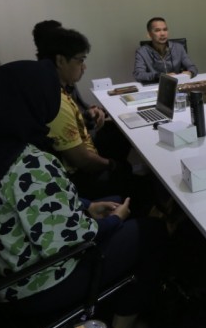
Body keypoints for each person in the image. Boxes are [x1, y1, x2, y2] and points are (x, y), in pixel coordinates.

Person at [0, 60, 165, 328]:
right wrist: (114, 221)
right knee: (152, 232)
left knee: (114, 201)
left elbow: (29, 205)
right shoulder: (31, 164)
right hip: (38, 284)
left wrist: (86, 207)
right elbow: (71, 240)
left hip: (6, 270)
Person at [42, 28, 143, 202]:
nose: (84, 67)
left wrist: (87, 115)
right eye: (80, 60)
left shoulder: (58, 88)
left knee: (119, 132)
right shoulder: (57, 102)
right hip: (81, 176)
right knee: (138, 183)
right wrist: (112, 165)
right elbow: (84, 161)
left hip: (86, 149)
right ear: (60, 60)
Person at [133, 17, 197, 84]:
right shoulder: (142, 52)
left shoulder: (178, 48)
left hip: (177, 85)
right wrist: (160, 76)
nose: (163, 33)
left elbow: (192, 67)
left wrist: (190, 72)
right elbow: (138, 74)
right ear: (149, 35)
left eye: (165, 29)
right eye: (157, 30)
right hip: (156, 86)